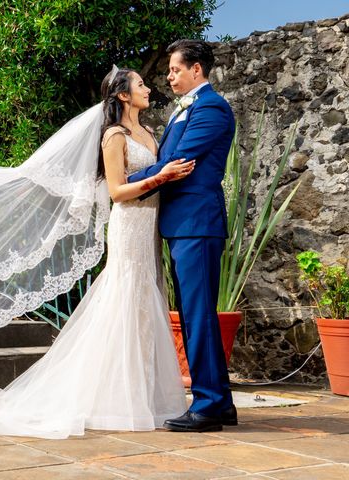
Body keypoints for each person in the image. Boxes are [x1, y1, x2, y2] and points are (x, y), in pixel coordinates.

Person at [0, 67, 195, 439]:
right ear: (122, 95)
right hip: (129, 223)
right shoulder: (113, 136)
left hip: (150, 226)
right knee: (125, 299)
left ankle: (143, 395)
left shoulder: (149, 133)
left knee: (145, 307)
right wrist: (162, 177)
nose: (148, 88)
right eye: (140, 84)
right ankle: (113, 398)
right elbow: (117, 191)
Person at [127, 39, 237, 432]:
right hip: (181, 224)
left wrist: (123, 183)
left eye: (175, 69)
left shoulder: (210, 107)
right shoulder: (185, 109)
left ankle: (207, 405)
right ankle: (220, 401)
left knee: (198, 314)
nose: (169, 76)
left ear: (196, 70)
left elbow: (177, 163)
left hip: (197, 224)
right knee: (194, 316)